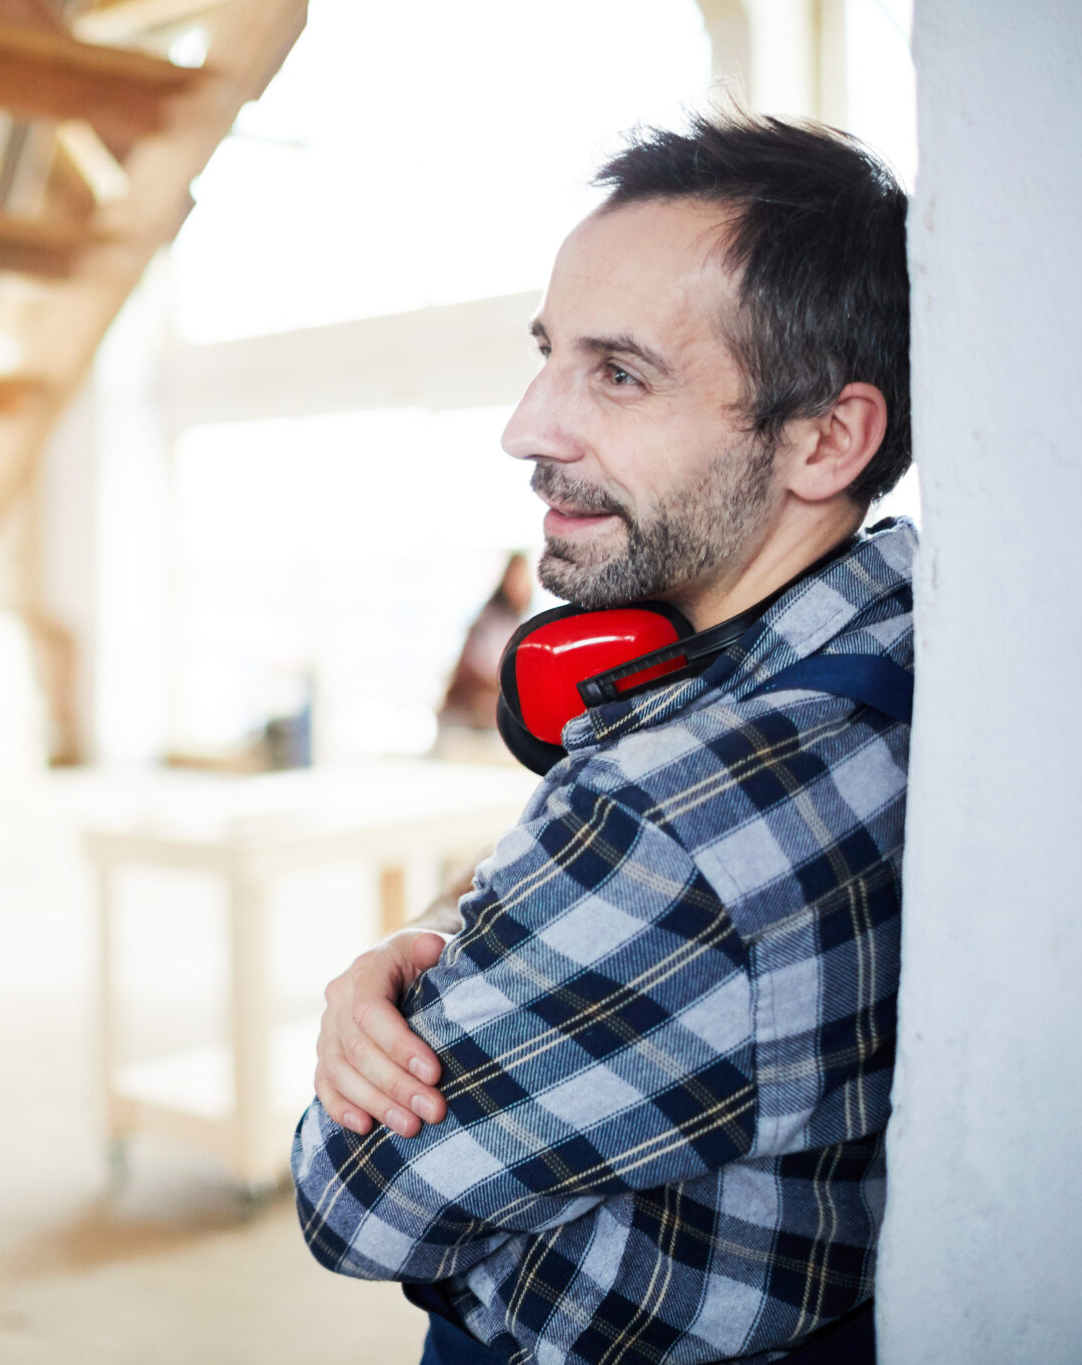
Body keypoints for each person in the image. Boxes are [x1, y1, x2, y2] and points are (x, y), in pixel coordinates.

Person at [294, 112, 913, 1365]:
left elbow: (355, 1203)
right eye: (548, 357)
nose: (526, 429)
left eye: (617, 374)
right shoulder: (908, 632)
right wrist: (451, 937)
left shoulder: (665, 819)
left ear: (824, 440)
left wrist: (415, 972)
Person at [436, 552, 535, 738]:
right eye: (516, 579)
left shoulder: (518, 623)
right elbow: (488, 673)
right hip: (464, 723)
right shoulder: (488, 623)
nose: (519, 586)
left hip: (486, 722)